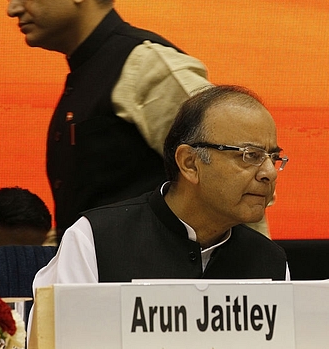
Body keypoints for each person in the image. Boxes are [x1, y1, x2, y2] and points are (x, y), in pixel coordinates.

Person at [6, 0, 211, 240]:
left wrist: (260, 282)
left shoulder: (146, 64)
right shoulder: (87, 71)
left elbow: (231, 176)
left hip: (158, 288)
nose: (13, 8)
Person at [32, 85, 289, 286]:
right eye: (250, 155)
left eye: (273, 157)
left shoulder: (269, 260)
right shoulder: (94, 240)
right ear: (190, 163)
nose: (269, 173)